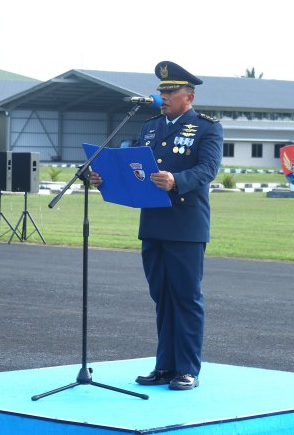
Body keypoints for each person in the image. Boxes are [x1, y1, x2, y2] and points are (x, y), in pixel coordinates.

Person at [90, 61, 223, 390]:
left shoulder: (206, 128)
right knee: (162, 297)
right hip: (153, 223)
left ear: (188, 98)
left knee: (186, 298)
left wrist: (177, 180)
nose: (162, 96)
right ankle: (165, 366)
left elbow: (208, 169)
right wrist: (103, 178)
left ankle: (187, 368)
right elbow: (134, 168)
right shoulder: (150, 127)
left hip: (185, 226)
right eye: (162, 91)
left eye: (170, 91)